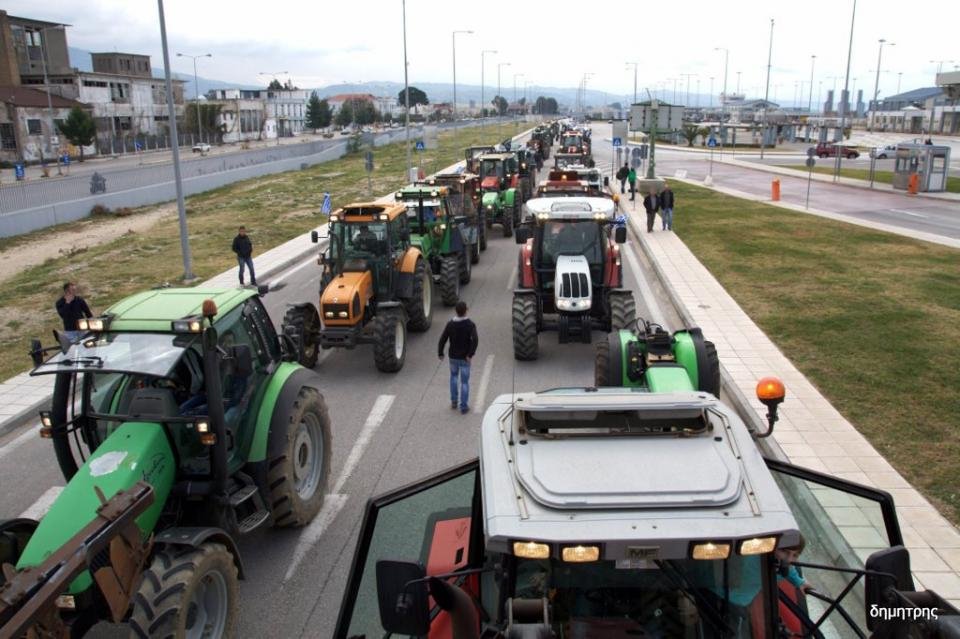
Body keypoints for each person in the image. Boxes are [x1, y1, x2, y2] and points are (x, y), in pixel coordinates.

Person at [438, 301, 479, 414]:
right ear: (466, 310)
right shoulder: (470, 325)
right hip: (465, 358)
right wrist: (470, 354)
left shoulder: (450, 324)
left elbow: (443, 339)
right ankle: (464, 406)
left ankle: (454, 401)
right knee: (464, 382)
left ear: (456, 311)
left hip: (453, 357)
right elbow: (475, 340)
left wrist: (440, 353)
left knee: (453, 378)